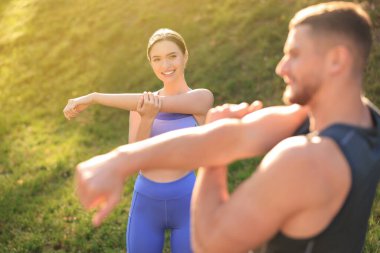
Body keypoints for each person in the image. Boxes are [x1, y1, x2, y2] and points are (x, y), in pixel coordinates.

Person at [74, 2, 380, 253]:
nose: (281, 67)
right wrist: (119, 160)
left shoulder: (303, 161)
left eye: (294, 54)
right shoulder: (363, 118)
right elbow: (239, 135)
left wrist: (213, 163)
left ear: (337, 60)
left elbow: (211, 242)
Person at [64, 29, 213, 253]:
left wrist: (95, 97)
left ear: (185, 56)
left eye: (172, 56)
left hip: (187, 200)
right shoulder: (139, 109)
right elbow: (136, 161)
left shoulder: (201, 98)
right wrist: (147, 118)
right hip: (146, 202)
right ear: (151, 63)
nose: (166, 65)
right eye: (157, 59)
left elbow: (163, 103)